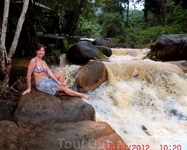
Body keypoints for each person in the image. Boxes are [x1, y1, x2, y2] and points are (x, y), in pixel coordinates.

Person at [22, 44, 90, 99]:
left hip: (47, 79)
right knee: (64, 87)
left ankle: (61, 91)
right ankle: (80, 95)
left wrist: (58, 82)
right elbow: (28, 74)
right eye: (39, 50)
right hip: (41, 84)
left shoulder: (43, 62)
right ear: (36, 51)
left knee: (61, 72)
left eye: (43, 51)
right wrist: (29, 88)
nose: (41, 52)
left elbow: (49, 73)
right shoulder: (33, 61)